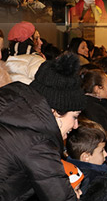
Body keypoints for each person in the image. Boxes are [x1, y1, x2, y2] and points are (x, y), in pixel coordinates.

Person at [0, 52, 86, 200]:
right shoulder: (38, 141)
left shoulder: (14, 108)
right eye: (75, 117)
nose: (76, 125)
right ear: (56, 112)